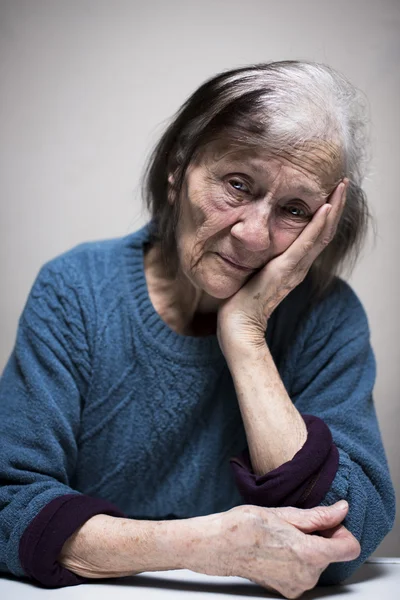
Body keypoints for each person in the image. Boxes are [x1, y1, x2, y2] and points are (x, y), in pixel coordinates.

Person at [0, 60, 395, 599]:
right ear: (177, 169)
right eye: (237, 184)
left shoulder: (327, 316)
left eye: (296, 209)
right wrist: (203, 545)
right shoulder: (77, 289)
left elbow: (350, 532)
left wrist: (247, 335)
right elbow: (8, 504)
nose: (254, 236)